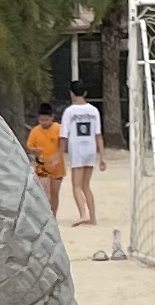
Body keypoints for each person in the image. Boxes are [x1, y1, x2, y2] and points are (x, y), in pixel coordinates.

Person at [61, 88, 105, 236]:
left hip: (78, 149)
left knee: (76, 186)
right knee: (86, 185)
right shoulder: (93, 111)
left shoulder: (69, 111)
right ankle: (92, 217)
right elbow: (98, 134)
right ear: (85, 93)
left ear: (71, 93)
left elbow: (64, 135)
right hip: (90, 148)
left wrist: (61, 153)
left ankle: (83, 214)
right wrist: (102, 156)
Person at [25, 105, 67, 218]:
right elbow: (29, 146)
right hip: (42, 165)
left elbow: (63, 145)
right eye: (41, 120)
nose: (44, 122)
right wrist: (35, 150)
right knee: (44, 190)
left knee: (54, 192)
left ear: (52, 117)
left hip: (57, 166)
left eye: (46, 119)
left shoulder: (59, 128)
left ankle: (53, 215)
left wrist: (57, 157)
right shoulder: (35, 131)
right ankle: (45, 215)